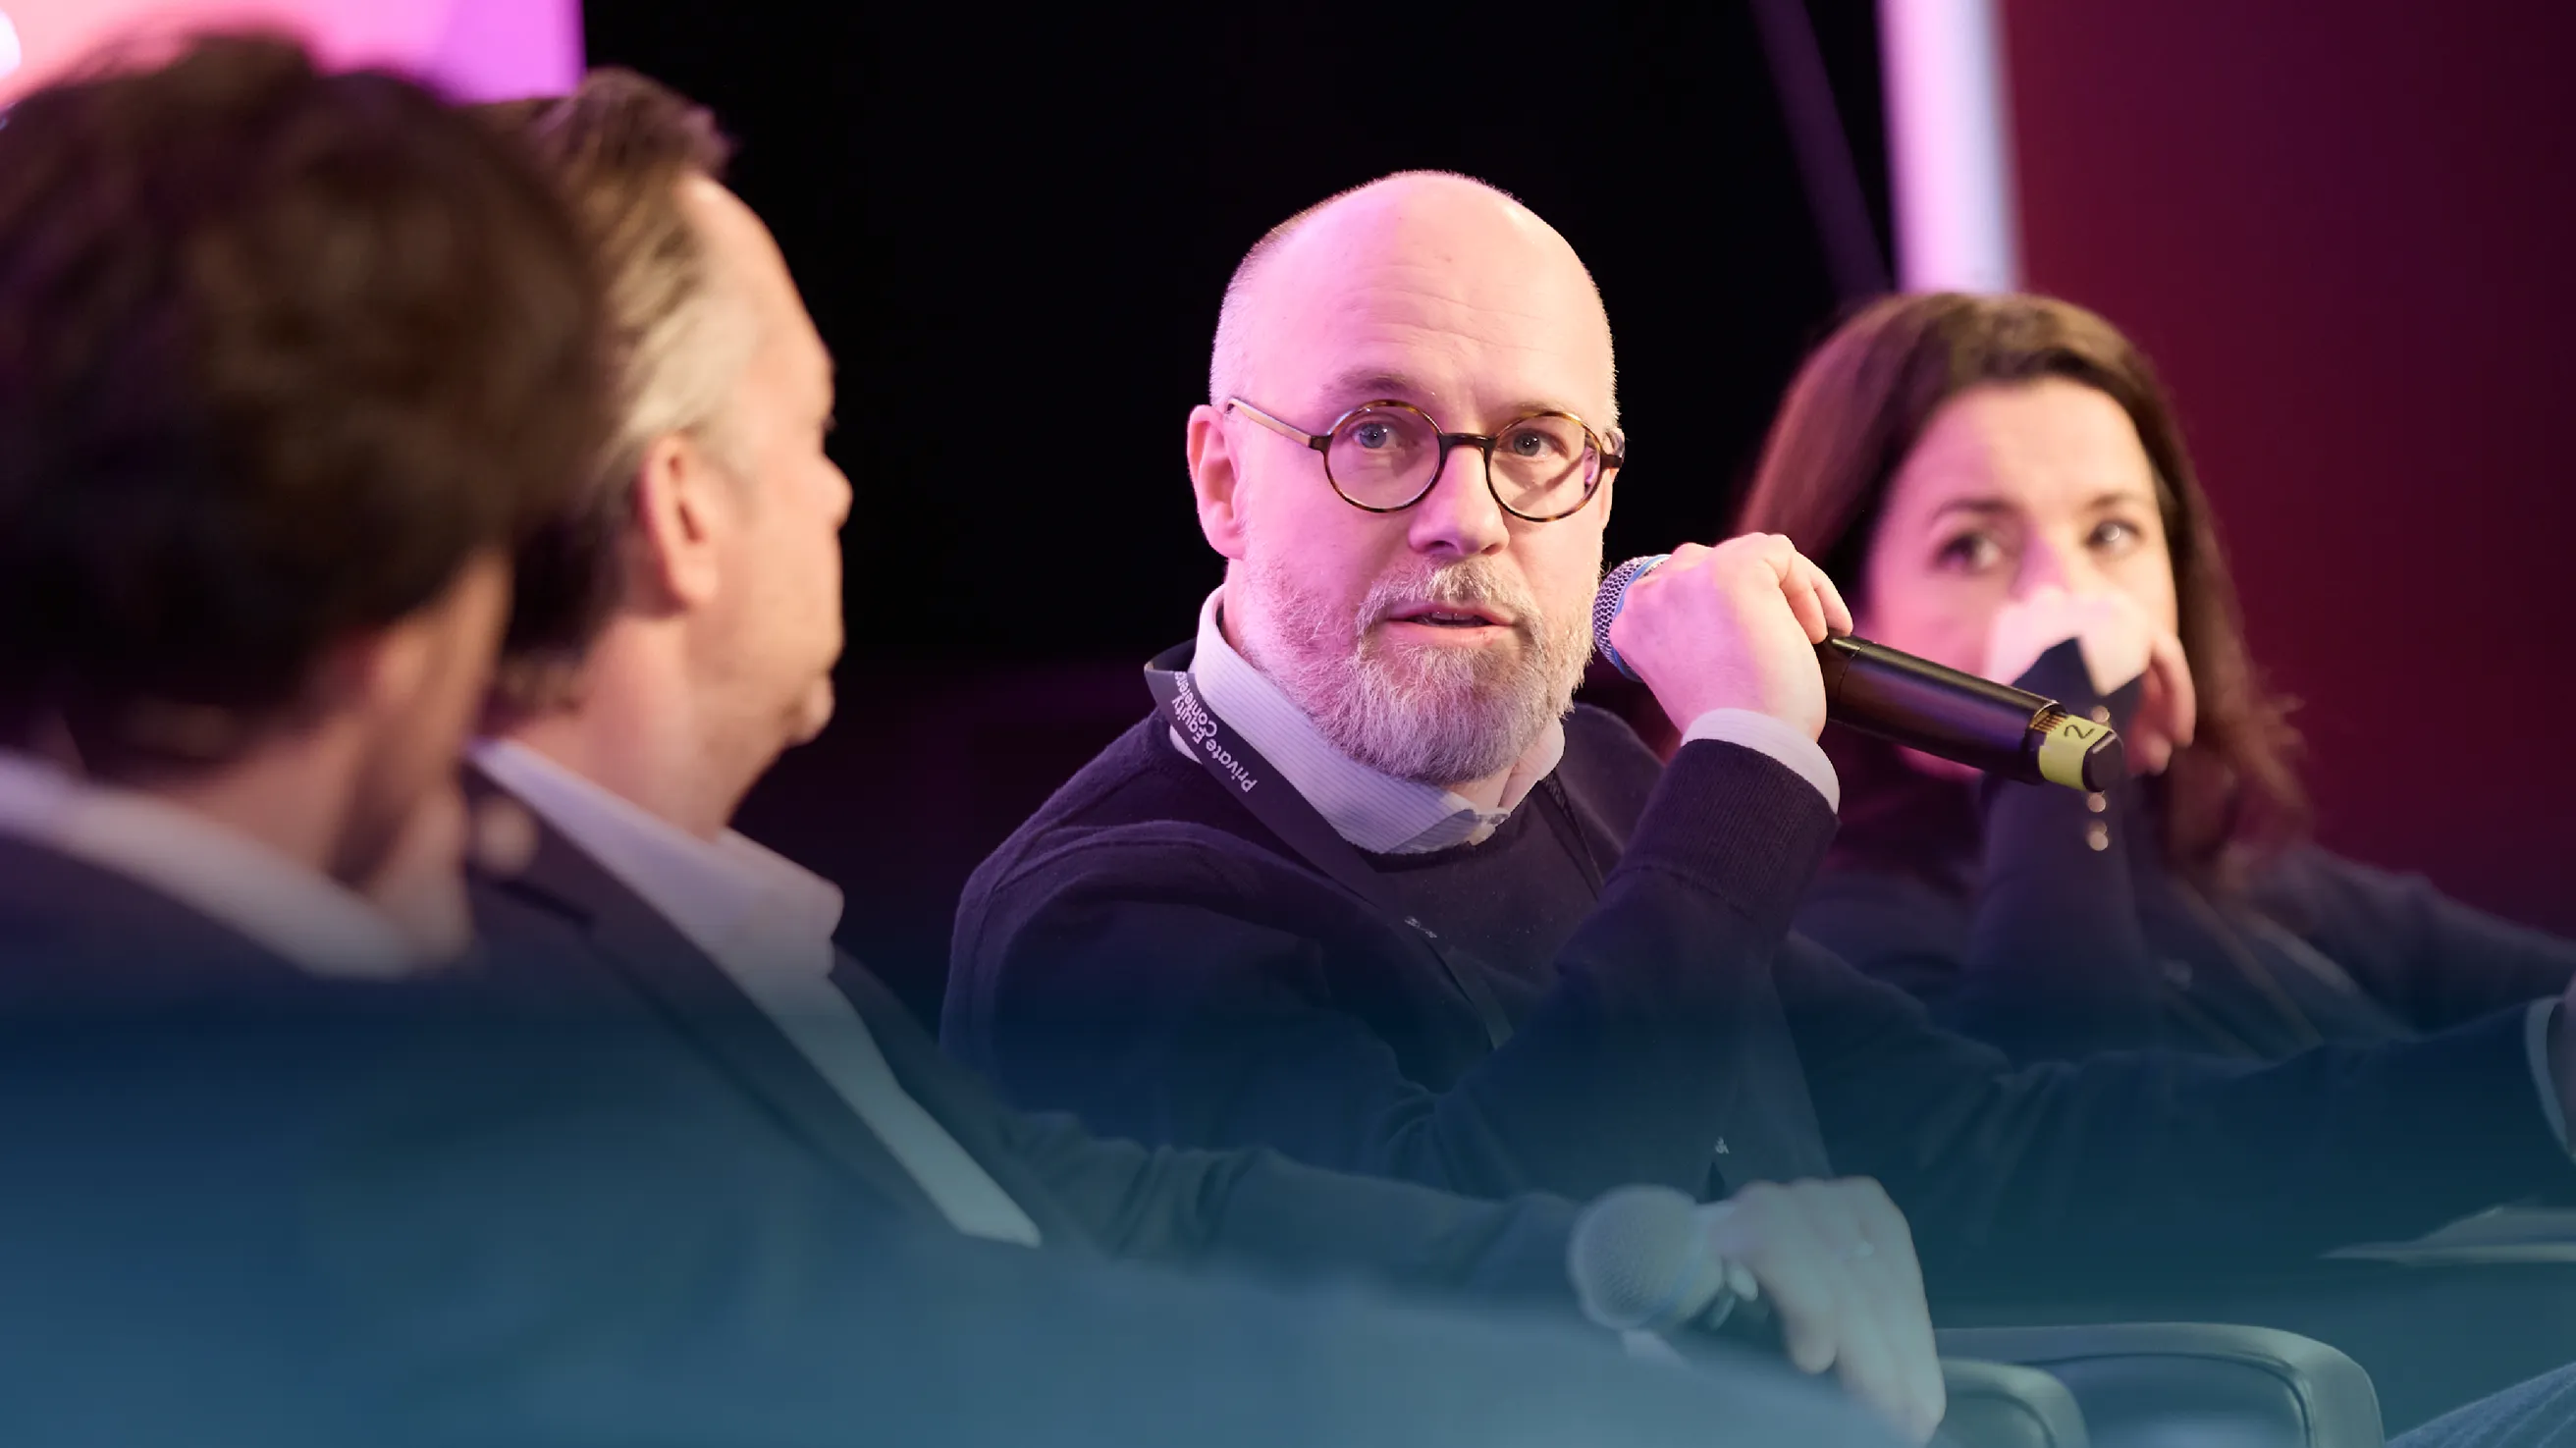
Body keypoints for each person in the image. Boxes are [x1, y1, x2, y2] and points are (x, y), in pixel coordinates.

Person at [0, 43, 1901, 1448]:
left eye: (1535, 446)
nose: (845, 497)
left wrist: (1635, 1269)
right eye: (812, 433)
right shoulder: (297, 1057)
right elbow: (943, 1350)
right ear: (677, 509)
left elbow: (1115, 1213)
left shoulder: (646, 947)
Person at [942, 170, 2576, 1314]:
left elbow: (1999, 1153)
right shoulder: (1112, 912)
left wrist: (2530, 1087)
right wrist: (1739, 768)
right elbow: (1496, 1277)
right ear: (1222, 480)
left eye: (1535, 445)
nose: (1469, 517)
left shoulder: (1585, 782)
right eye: (1379, 432)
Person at [1725, 291, 2576, 1064]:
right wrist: (2056, 736)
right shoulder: (1825, 939)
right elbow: (2078, 1137)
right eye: (1973, 546)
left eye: (2112, 534)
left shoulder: (2241, 877)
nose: (2070, 599)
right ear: (1843, 605)